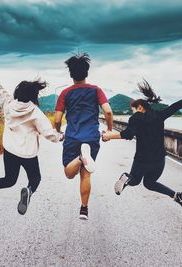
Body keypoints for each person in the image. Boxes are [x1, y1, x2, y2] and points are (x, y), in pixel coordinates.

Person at [0, 64, 64, 215]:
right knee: (35, 178)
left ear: (17, 92)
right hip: (28, 154)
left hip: (10, 150)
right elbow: (48, 133)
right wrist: (60, 136)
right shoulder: (35, 112)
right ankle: (28, 190)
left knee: (9, 180)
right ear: (33, 95)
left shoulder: (8, 103)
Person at [102, 79, 182, 209]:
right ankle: (176, 195)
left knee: (134, 181)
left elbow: (128, 134)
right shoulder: (159, 115)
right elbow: (174, 107)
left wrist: (108, 136)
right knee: (149, 183)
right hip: (159, 160)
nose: (132, 112)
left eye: (133, 109)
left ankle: (126, 177)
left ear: (140, 108)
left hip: (142, 159)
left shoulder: (136, 118)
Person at [54, 53, 114, 220]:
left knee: (68, 173)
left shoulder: (65, 93)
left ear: (71, 74)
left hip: (72, 136)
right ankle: (84, 209)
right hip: (91, 137)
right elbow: (108, 111)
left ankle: (81, 158)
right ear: (86, 73)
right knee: (86, 174)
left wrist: (58, 132)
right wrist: (108, 129)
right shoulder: (96, 90)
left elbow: (57, 119)